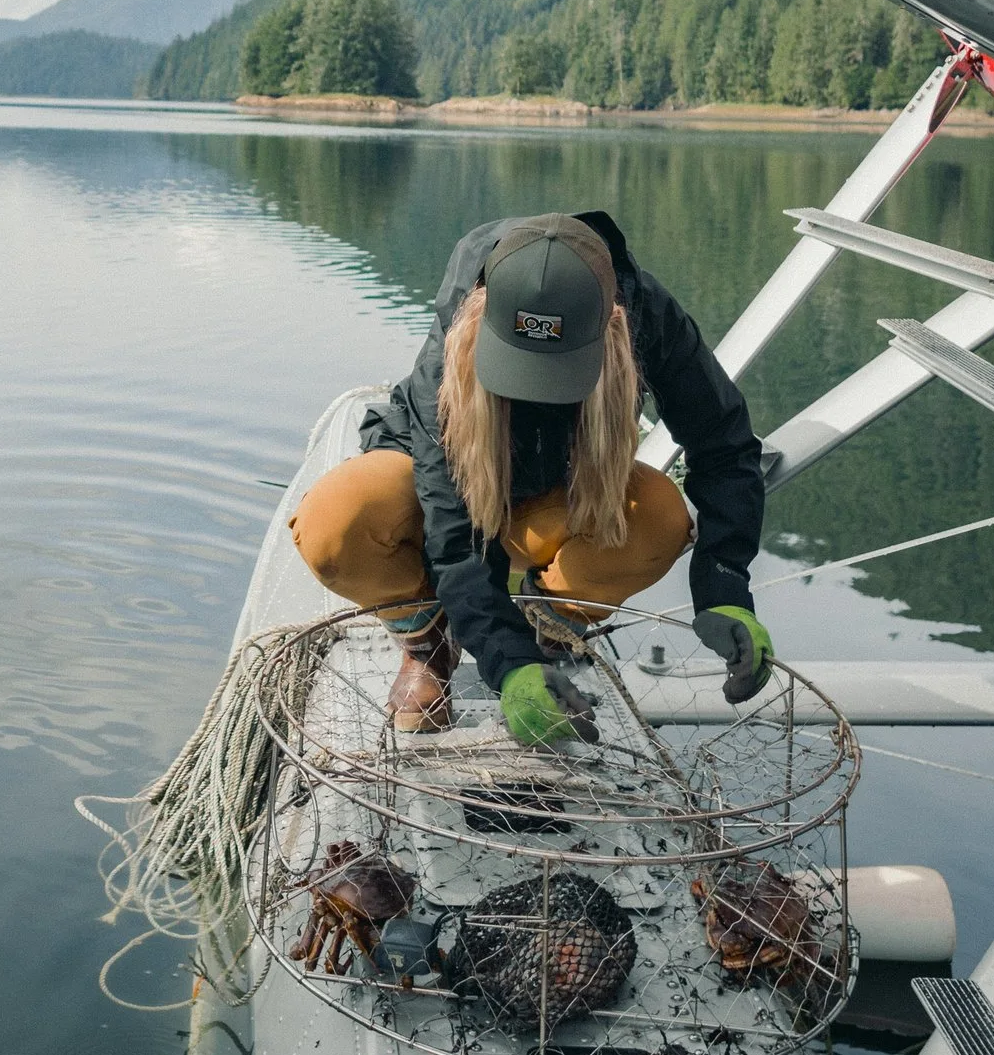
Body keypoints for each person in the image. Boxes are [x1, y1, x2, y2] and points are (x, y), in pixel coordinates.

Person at [291, 207, 772, 741]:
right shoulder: (454, 334)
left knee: (657, 516)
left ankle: (553, 627)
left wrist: (724, 587)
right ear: (480, 314)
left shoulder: (647, 316)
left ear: (613, 323)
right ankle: (427, 643)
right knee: (337, 520)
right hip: (447, 487)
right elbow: (453, 535)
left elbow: (724, 445)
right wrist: (507, 665)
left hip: (556, 493)